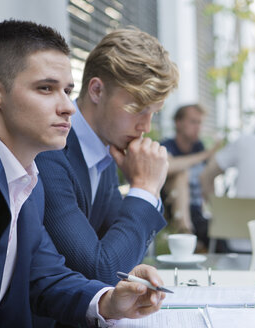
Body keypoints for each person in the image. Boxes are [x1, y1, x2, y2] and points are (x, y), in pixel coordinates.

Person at [0, 20, 165, 327]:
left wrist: (109, 301)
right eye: (46, 88)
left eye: (67, 90)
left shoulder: (27, 178)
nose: (68, 107)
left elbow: (45, 277)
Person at [35, 28, 179, 285]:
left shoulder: (105, 149)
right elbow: (100, 270)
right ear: (97, 91)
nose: (145, 127)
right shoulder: (48, 152)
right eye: (138, 109)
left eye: (153, 113)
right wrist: (145, 188)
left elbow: (119, 255)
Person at [160, 104, 221, 248]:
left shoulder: (198, 146)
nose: (198, 127)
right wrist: (205, 155)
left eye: (200, 122)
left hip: (196, 212)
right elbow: (168, 166)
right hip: (170, 210)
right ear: (178, 123)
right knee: (180, 174)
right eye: (193, 122)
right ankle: (185, 233)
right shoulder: (167, 146)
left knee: (221, 243)